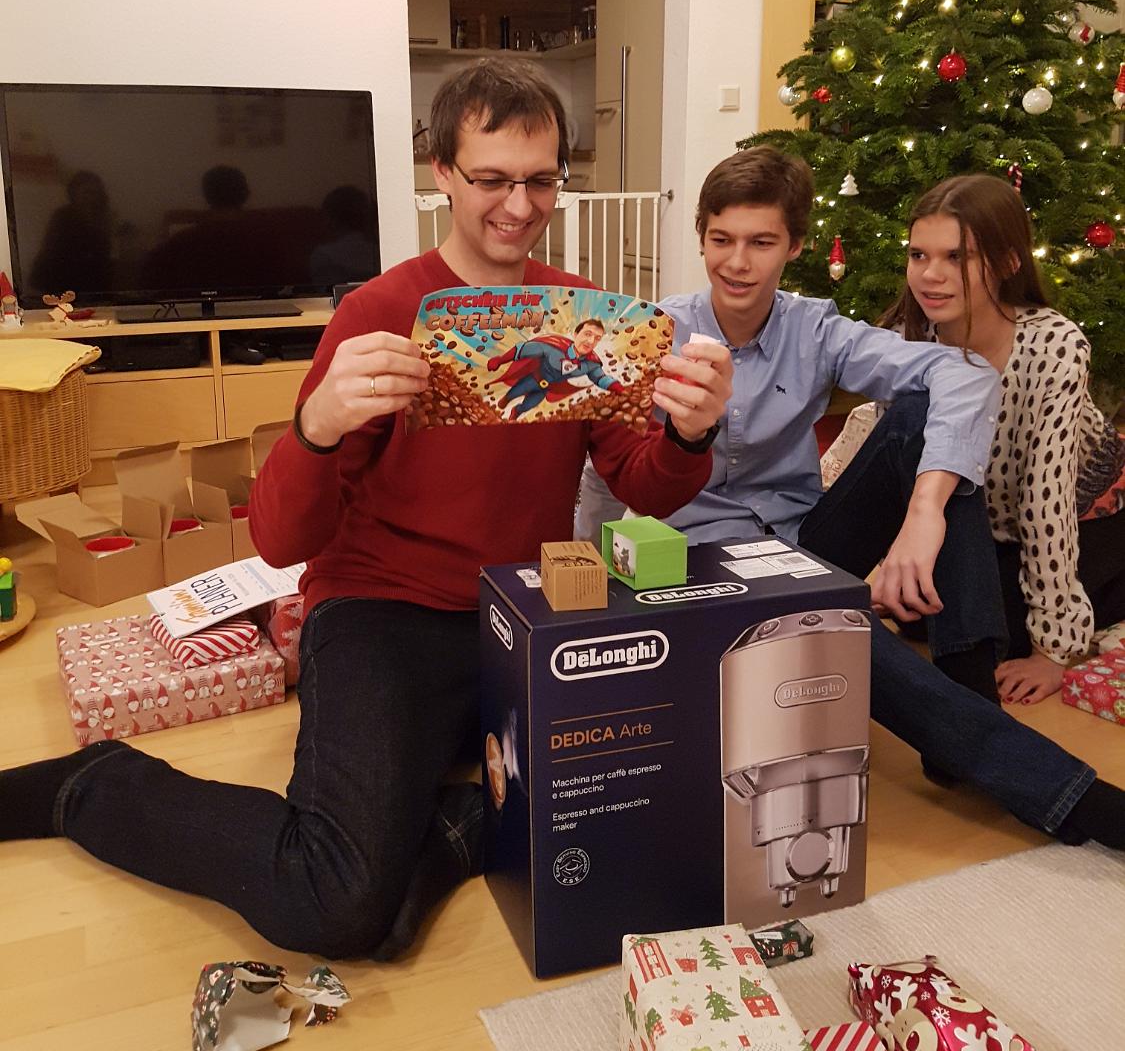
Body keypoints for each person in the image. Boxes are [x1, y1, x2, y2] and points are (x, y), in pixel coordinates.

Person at [0, 58, 732, 958]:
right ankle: (94, 787)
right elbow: (281, 540)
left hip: (519, 613)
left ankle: (454, 824)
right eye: (492, 180)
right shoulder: (377, 315)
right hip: (383, 613)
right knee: (336, 905)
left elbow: (641, 483)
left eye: (541, 180)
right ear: (442, 173)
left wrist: (690, 432)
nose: (520, 205)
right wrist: (315, 425)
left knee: (643, 793)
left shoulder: (582, 315)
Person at [577, 147, 1125, 849]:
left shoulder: (815, 328)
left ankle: (966, 692)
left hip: (802, 542)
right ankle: (1070, 796)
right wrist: (588, 580)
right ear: (701, 238)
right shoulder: (652, 332)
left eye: (760, 242)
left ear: (795, 247)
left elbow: (964, 378)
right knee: (840, 628)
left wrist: (923, 515)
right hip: (703, 566)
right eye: (720, 240)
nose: (736, 263)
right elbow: (603, 469)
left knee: (921, 413)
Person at [880, 173, 1125, 705]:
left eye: (957, 258)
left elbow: (1046, 498)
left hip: (1085, 516)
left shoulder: (1054, 346)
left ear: (1009, 262)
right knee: (924, 616)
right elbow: (895, 461)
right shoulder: (906, 336)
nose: (931, 275)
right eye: (919, 255)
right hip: (982, 524)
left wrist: (1052, 650)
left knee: (1000, 633)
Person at [486, 317, 622, 419]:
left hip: (545, 389)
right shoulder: (553, 347)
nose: (591, 341)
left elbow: (600, 378)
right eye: (587, 334)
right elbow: (523, 349)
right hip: (532, 379)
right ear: (576, 334)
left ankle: (515, 412)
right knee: (512, 395)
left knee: (527, 406)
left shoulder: (591, 363)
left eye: (597, 338)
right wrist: (500, 360)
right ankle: (507, 398)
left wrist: (617, 387)